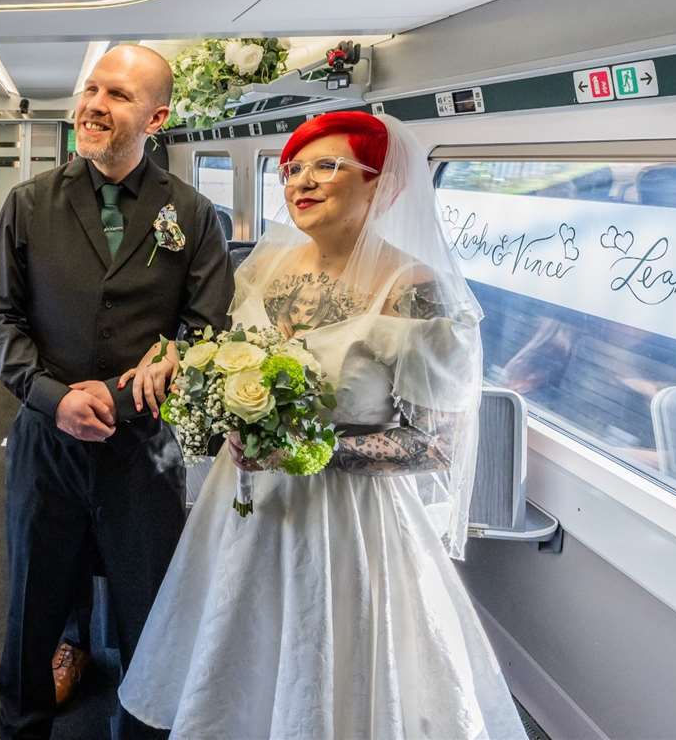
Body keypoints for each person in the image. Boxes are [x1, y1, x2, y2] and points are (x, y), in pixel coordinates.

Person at [119, 111, 521, 738]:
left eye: (327, 166)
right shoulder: (257, 270)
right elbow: (218, 353)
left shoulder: (414, 292)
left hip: (348, 523)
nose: (301, 182)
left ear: (381, 186)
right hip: (243, 506)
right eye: (292, 169)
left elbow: (435, 445)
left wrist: (300, 447)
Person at [0, 44, 235, 740]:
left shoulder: (194, 213)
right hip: (46, 439)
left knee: (149, 615)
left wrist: (119, 401)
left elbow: (207, 328)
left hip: (143, 449)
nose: (93, 103)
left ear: (157, 116)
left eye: (117, 94)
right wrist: (52, 395)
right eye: (91, 88)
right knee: (30, 613)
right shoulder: (28, 203)